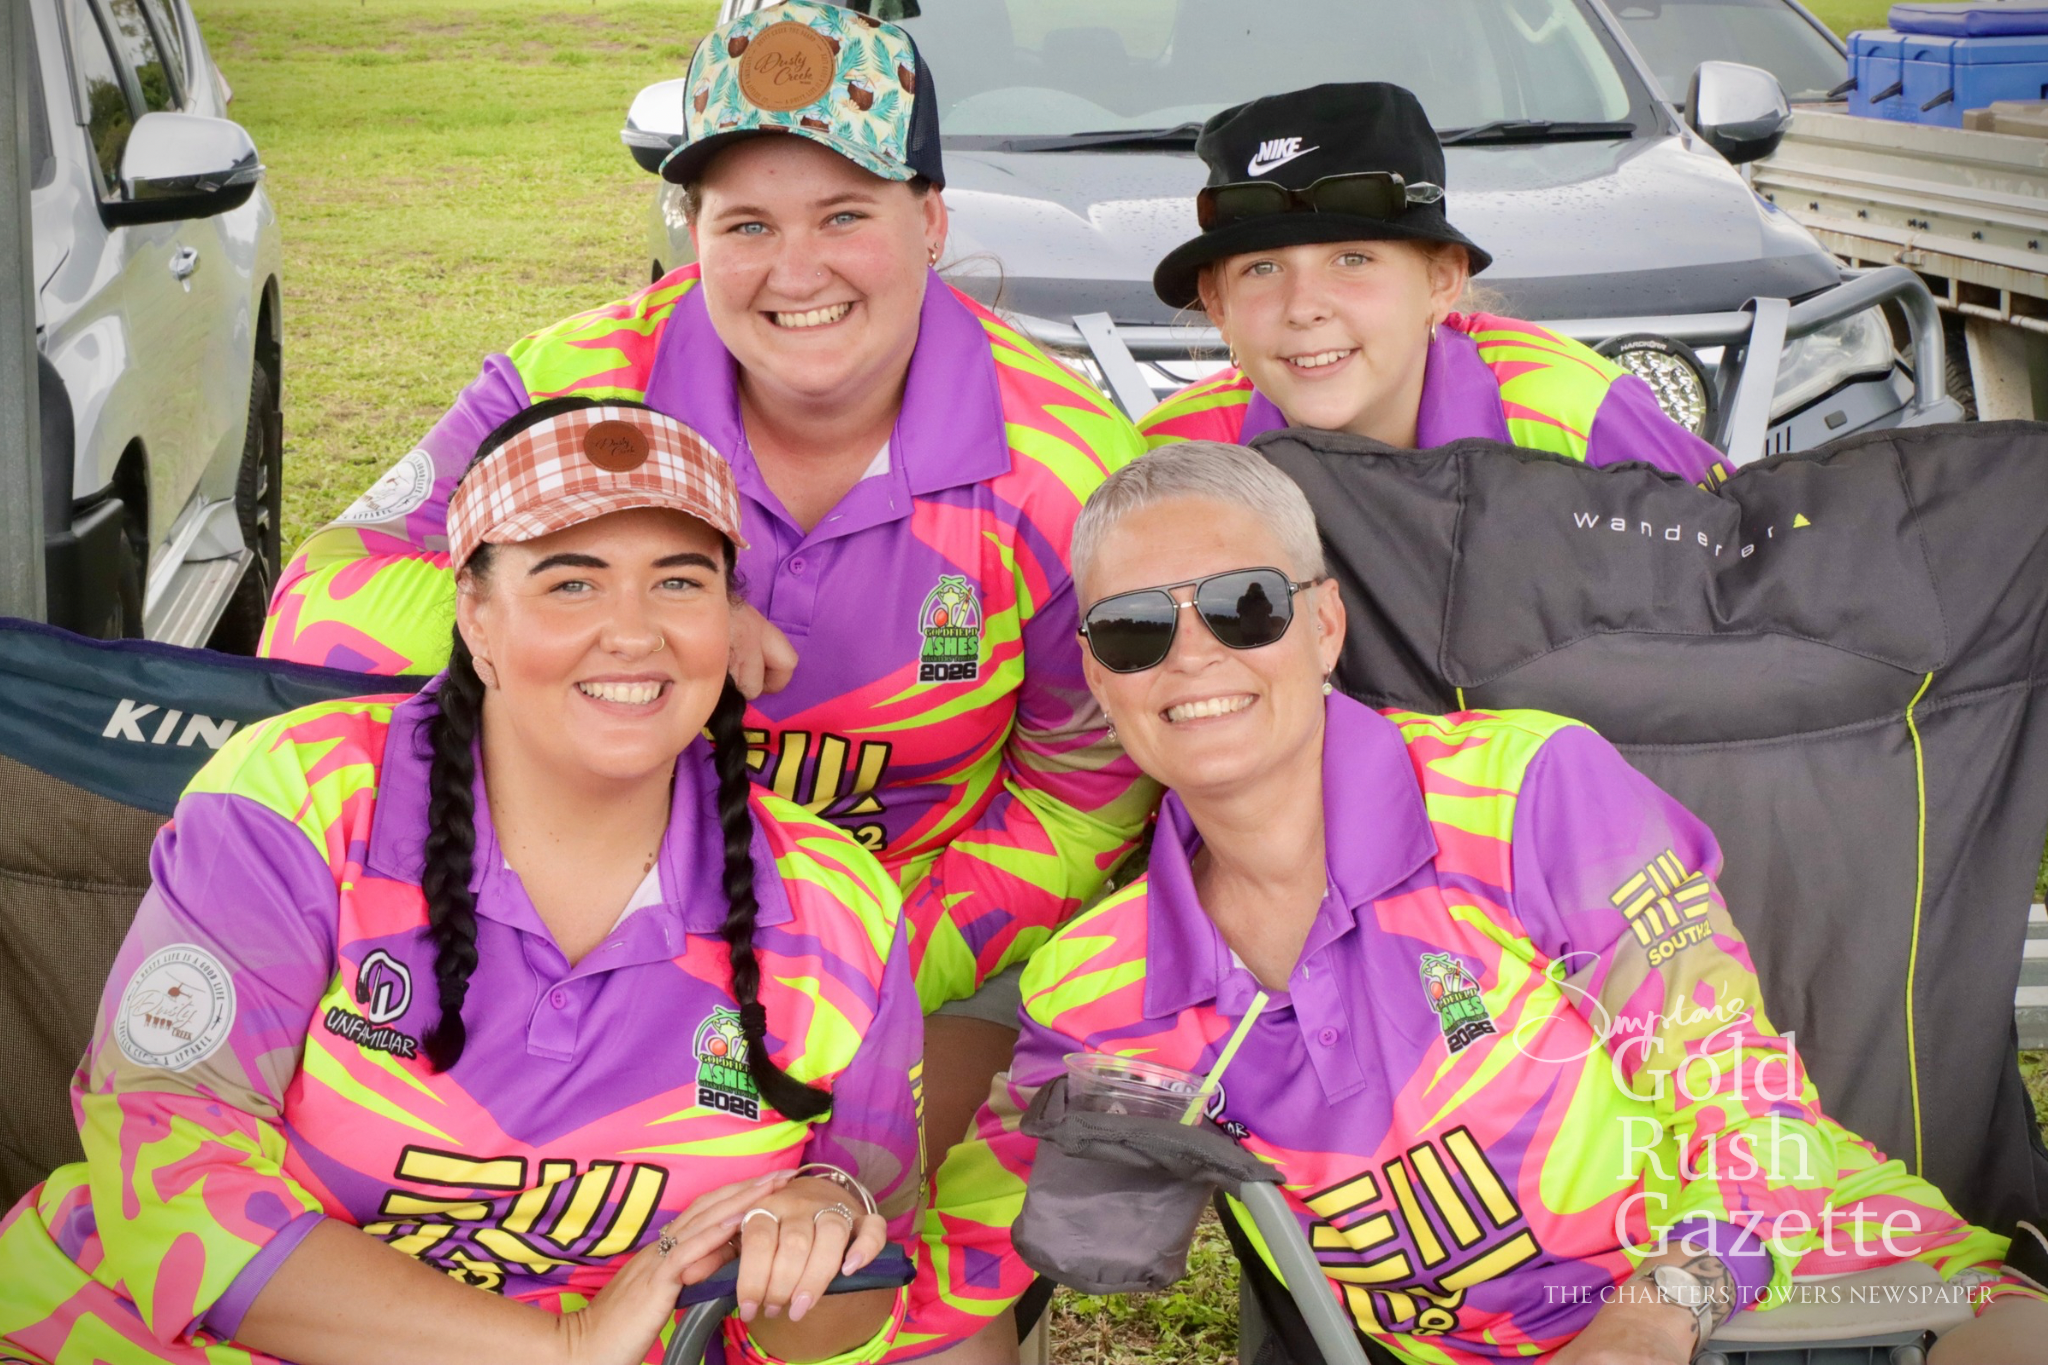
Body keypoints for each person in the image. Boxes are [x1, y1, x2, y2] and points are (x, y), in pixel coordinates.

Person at [902, 440, 2048, 1364]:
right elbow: (965, 1260)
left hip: (1840, 1289)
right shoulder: (1104, 985)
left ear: (1321, 626)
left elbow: (1740, 1098)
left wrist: (1656, 1313)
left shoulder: (1524, 789)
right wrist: (824, 1230)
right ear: (1100, 682)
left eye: (1242, 605)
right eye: (1134, 629)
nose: (1191, 656)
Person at [256, 0, 1156, 1176]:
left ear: (930, 219)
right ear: (690, 232)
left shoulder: (1064, 468)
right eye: (744, 224)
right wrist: (633, 597)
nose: (795, 271)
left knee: (877, 1299)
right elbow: (322, 607)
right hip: (549, 929)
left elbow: (1079, 797)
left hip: (905, 945)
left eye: (844, 214)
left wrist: (844, 962)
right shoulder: (572, 376)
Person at [0, 402, 924, 1365]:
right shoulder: (300, 802)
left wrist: (822, 1234)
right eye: (571, 582)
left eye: (679, 582)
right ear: (476, 615)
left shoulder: (835, 910)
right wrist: (562, 1344)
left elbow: (854, 1315)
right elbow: (171, 1169)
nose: (632, 632)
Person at [1138, 84, 1732, 488]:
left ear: (1442, 281)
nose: (1304, 307)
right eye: (1262, 268)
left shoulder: (1573, 415)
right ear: (1218, 304)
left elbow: (1746, 593)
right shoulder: (1175, 457)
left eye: (1352, 258)